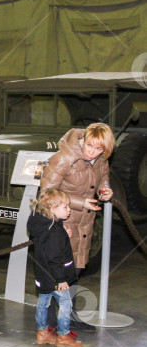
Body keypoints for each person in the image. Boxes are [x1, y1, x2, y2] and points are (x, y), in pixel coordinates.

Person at [39, 123, 114, 331]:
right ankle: (52, 323)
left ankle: (69, 317)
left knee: (75, 270)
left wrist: (105, 189)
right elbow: (46, 192)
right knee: (58, 273)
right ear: (85, 139)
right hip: (61, 222)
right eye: (90, 146)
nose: (92, 152)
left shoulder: (100, 160)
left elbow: (103, 177)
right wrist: (81, 203)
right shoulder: (64, 158)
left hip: (84, 223)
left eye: (99, 149)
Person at [28, 188, 82, 347]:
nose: (69, 210)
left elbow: (48, 243)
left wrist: (63, 233)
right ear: (52, 209)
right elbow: (55, 258)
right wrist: (61, 280)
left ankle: (42, 333)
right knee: (66, 304)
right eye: (65, 207)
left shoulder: (44, 224)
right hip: (56, 277)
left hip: (43, 275)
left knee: (43, 302)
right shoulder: (55, 232)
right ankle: (63, 336)